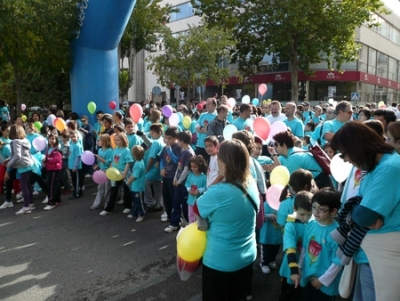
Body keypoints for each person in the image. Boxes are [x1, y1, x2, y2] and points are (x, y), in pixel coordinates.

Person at [331, 121, 400, 301]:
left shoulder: (389, 167)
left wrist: (356, 213)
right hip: (370, 254)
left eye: (343, 154)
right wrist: (359, 212)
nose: (345, 160)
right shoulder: (379, 165)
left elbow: (365, 215)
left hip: (381, 256)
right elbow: (362, 211)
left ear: (356, 147)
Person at [195, 139, 259, 301]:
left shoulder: (219, 192)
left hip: (220, 261)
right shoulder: (251, 183)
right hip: (247, 256)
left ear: (224, 162)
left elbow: (198, 207)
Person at [300, 189, 342, 301]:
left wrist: (322, 280)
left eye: (321, 209)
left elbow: (337, 262)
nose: (316, 212)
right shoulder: (310, 225)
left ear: (333, 211)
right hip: (308, 276)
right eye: (313, 207)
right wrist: (299, 267)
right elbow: (304, 249)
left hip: (325, 283)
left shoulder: (337, 233)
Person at [279, 191, 313, 301]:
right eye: (302, 214)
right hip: (291, 268)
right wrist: (294, 270)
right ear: (294, 208)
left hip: (306, 267)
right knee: (287, 294)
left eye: (309, 214)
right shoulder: (290, 225)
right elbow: (290, 248)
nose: (305, 218)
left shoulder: (313, 222)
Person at [164, 131, 195, 233]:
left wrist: (180, 180)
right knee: (176, 202)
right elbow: (179, 166)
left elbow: (186, 170)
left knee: (185, 204)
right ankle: (174, 223)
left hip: (184, 183)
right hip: (178, 182)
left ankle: (188, 224)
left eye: (178, 140)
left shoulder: (189, 153)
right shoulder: (183, 150)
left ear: (182, 141)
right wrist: (175, 179)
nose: (177, 142)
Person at [100, 133, 133, 216]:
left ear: (123, 140)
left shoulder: (127, 150)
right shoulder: (114, 150)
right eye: (115, 140)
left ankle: (128, 206)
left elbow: (128, 162)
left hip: (123, 172)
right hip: (115, 172)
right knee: (113, 190)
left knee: (126, 190)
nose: (116, 141)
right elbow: (112, 161)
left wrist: (125, 173)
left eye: (118, 140)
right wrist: (110, 170)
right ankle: (108, 209)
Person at [5, 125, 36, 215]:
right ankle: (30, 204)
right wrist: (8, 160)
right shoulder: (25, 140)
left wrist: (9, 165)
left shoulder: (15, 142)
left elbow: (17, 156)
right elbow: (17, 154)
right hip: (29, 164)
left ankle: (26, 207)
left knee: (24, 186)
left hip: (23, 166)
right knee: (28, 186)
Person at [159, 126, 180, 222]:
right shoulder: (164, 148)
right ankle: (168, 214)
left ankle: (175, 217)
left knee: (173, 197)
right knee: (166, 196)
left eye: (170, 138)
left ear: (176, 138)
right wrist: (162, 168)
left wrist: (170, 151)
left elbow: (177, 161)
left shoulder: (177, 148)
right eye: (166, 137)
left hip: (173, 177)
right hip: (166, 176)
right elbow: (162, 159)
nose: (167, 140)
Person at [143, 123, 165, 212]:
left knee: (145, 183)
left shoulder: (156, 142)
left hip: (153, 168)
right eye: (151, 133)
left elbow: (152, 158)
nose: (151, 135)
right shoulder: (162, 140)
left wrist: (147, 169)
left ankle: (150, 202)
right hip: (158, 168)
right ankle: (159, 203)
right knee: (157, 185)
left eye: (153, 133)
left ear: (159, 132)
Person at [91, 134, 112, 210]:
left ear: (104, 141)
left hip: (107, 172)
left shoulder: (110, 151)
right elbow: (100, 162)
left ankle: (107, 204)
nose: (98, 141)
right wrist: (97, 166)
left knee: (107, 188)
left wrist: (99, 158)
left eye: (99, 140)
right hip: (101, 171)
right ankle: (96, 204)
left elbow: (109, 162)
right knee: (100, 188)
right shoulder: (100, 150)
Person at [43, 134, 63, 210]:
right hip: (50, 168)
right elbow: (47, 157)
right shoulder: (48, 149)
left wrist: (47, 159)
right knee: (56, 185)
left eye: (53, 138)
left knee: (51, 186)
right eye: (50, 139)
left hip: (55, 169)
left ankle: (51, 202)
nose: (51, 140)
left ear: (56, 140)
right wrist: (45, 159)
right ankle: (57, 200)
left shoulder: (57, 150)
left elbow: (56, 159)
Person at [127, 145, 146, 222]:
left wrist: (129, 181)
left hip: (139, 187)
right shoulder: (139, 162)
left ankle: (142, 214)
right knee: (135, 200)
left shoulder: (138, 164)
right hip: (135, 187)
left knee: (139, 201)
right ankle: (134, 212)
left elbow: (135, 176)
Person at [185, 155, 207, 223]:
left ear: (200, 166)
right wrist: (189, 190)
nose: (193, 168)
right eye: (191, 167)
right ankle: (191, 226)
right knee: (190, 215)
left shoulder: (204, 177)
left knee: (198, 215)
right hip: (191, 200)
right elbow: (187, 185)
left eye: (195, 167)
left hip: (199, 201)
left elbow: (205, 187)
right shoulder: (190, 175)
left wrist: (199, 191)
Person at [195, 98, 217, 162]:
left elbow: (210, 131)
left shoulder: (216, 117)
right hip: (200, 144)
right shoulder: (202, 115)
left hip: (211, 146)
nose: (206, 106)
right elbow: (196, 128)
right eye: (206, 104)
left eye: (209, 104)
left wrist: (201, 128)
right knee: (199, 165)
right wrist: (204, 129)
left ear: (214, 105)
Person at [68, 131, 84, 199]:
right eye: (71, 137)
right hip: (71, 165)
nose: (73, 138)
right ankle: (75, 191)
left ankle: (77, 193)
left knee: (77, 180)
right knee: (74, 180)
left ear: (77, 137)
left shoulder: (77, 146)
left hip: (76, 167)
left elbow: (78, 156)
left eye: (74, 137)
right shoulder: (71, 144)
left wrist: (75, 166)